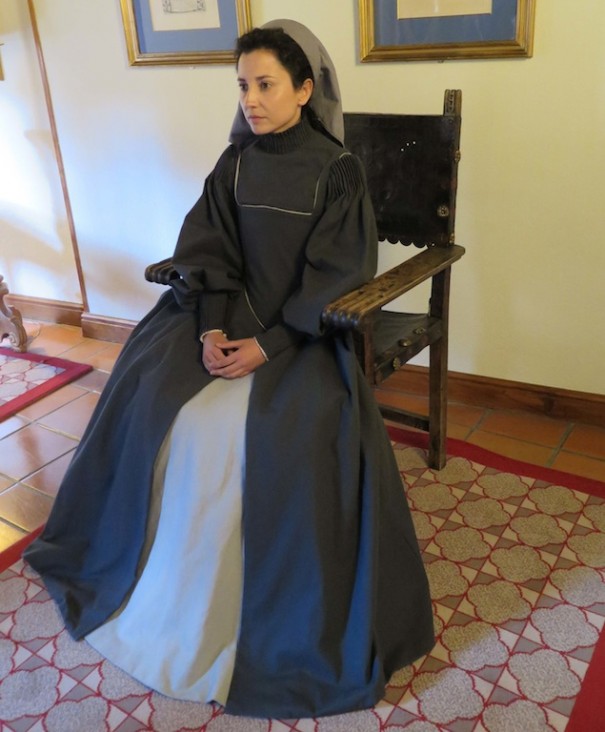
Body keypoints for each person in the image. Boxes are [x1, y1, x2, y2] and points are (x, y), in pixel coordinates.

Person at [24, 19, 434, 719]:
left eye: (266, 84)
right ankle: (149, 575)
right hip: (226, 316)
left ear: (304, 90)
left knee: (268, 433)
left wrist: (267, 346)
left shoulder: (338, 172)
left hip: (303, 335)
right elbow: (209, 251)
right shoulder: (234, 163)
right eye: (243, 85)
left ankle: (253, 609)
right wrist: (213, 327)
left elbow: (337, 275)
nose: (251, 99)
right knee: (149, 393)